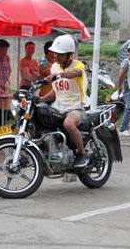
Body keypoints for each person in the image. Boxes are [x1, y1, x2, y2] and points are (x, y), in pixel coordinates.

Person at [40, 35, 88, 168]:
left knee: (68, 124)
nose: (56, 56)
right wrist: (41, 99)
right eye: (56, 53)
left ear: (69, 55)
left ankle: (82, 153)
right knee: (40, 117)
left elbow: (75, 73)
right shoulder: (55, 67)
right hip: (58, 107)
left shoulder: (78, 65)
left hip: (75, 106)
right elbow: (56, 91)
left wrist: (59, 75)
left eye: (60, 54)